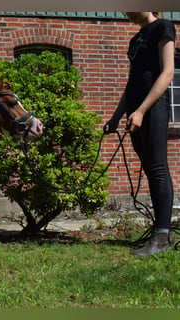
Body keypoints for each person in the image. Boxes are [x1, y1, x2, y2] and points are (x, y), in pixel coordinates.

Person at [103, 12, 176, 257]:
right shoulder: (135, 39)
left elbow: (167, 73)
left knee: (157, 168)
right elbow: (132, 82)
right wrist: (116, 116)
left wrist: (142, 111)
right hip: (136, 109)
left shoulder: (163, 27)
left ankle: (162, 237)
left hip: (153, 108)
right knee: (149, 169)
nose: (129, 12)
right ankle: (161, 230)